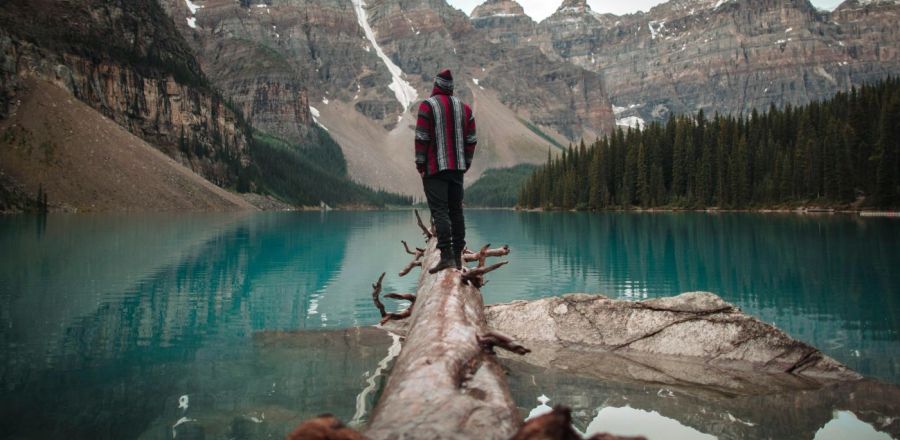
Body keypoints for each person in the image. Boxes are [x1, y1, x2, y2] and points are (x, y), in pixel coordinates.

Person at [414, 69, 477, 273]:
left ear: (436, 85)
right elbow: (471, 140)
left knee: (440, 211)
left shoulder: (428, 106)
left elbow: (421, 138)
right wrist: (465, 164)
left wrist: (421, 165)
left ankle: (447, 256)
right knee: (456, 211)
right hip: (457, 169)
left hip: (435, 168)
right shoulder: (465, 109)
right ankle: (458, 257)